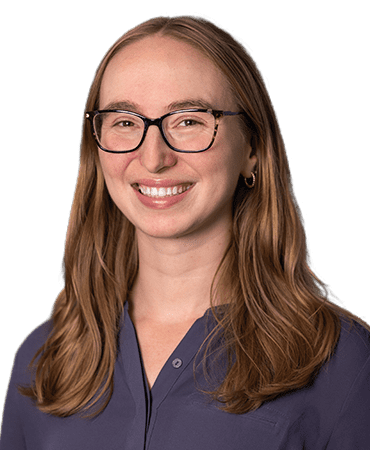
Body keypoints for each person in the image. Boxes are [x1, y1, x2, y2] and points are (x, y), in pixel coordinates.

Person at [1, 14, 369, 449]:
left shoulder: (342, 361)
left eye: (189, 120)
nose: (153, 157)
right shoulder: (44, 358)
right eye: (124, 122)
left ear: (252, 148)